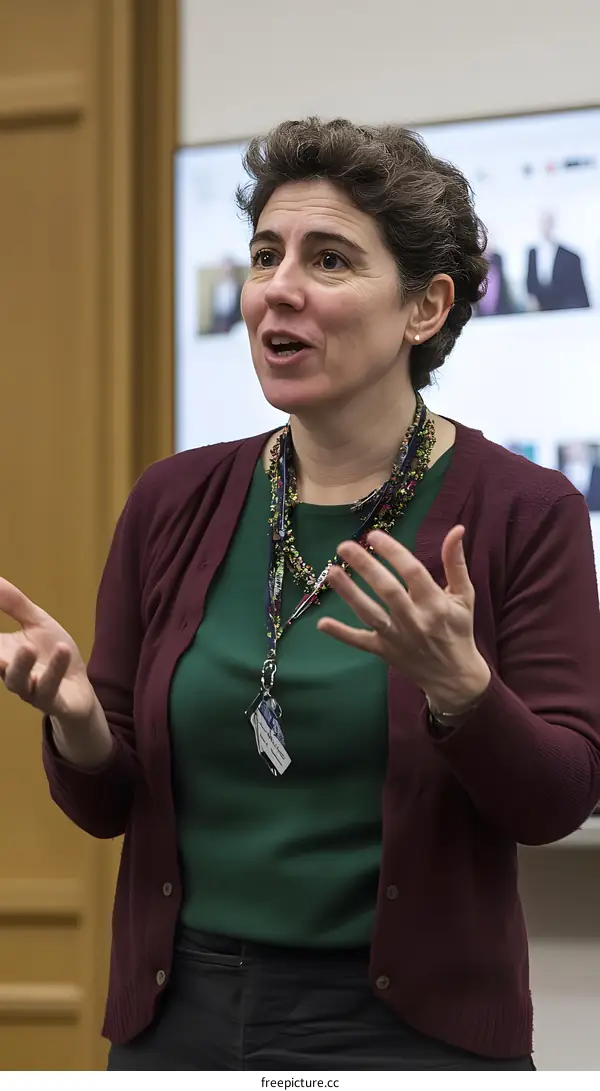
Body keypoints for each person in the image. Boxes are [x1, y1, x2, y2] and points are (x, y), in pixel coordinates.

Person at [2, 117, 600, 1073]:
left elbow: (560, 797)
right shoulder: (174, 500)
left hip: (405, 1033)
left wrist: (463, 691)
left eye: (329, 260)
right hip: (177, 1018)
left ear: (425, 307)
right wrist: (76, 719)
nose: (278, 288)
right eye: (265, 255)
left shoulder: (525, 510)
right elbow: (111, 801)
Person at [526, 211, 590, 311]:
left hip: (563, 308)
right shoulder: (532, 253)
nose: (546, 227)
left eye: (549, 222)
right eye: (544, 223)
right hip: (540, 309)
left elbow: (578, 291)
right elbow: (530, 281)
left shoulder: (570, 257)